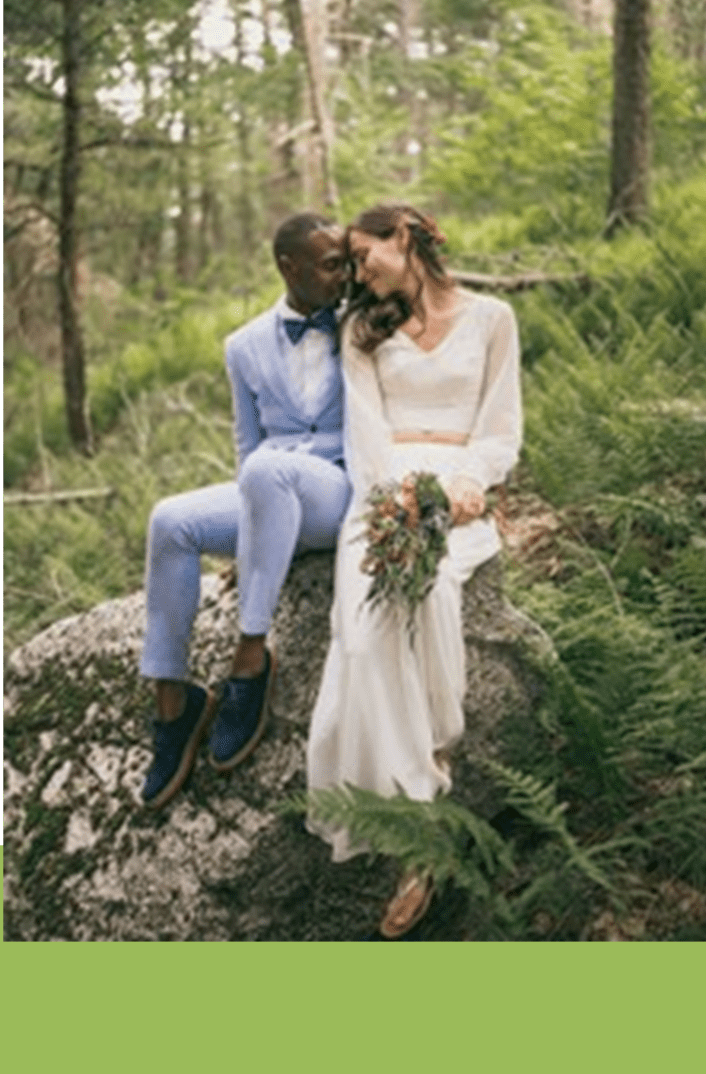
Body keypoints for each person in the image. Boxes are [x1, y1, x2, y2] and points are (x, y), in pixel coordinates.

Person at [306, 203, 522, 938]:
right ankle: (425, 804)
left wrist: (467, 486)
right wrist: (392, 496)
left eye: (365, 255)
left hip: (459, 487)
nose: (357, 272)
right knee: (362, 637)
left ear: (405, 238)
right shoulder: (360, 331)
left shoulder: (493, 318)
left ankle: (417, 832)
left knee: (429, 585)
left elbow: (501, 428)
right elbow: (364, 434)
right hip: (387, 487)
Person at [140, 212, 351, 809]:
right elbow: (246, 445)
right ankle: (174, 702)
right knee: (171, 520)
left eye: (345, 262)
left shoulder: (361, 324)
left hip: (335, 492)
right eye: (331, 263)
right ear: (290, 267)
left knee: (266, 470)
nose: (344, 274)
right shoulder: (244, 345)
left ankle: (251, 654)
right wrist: (256, 535)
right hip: (269, 491)